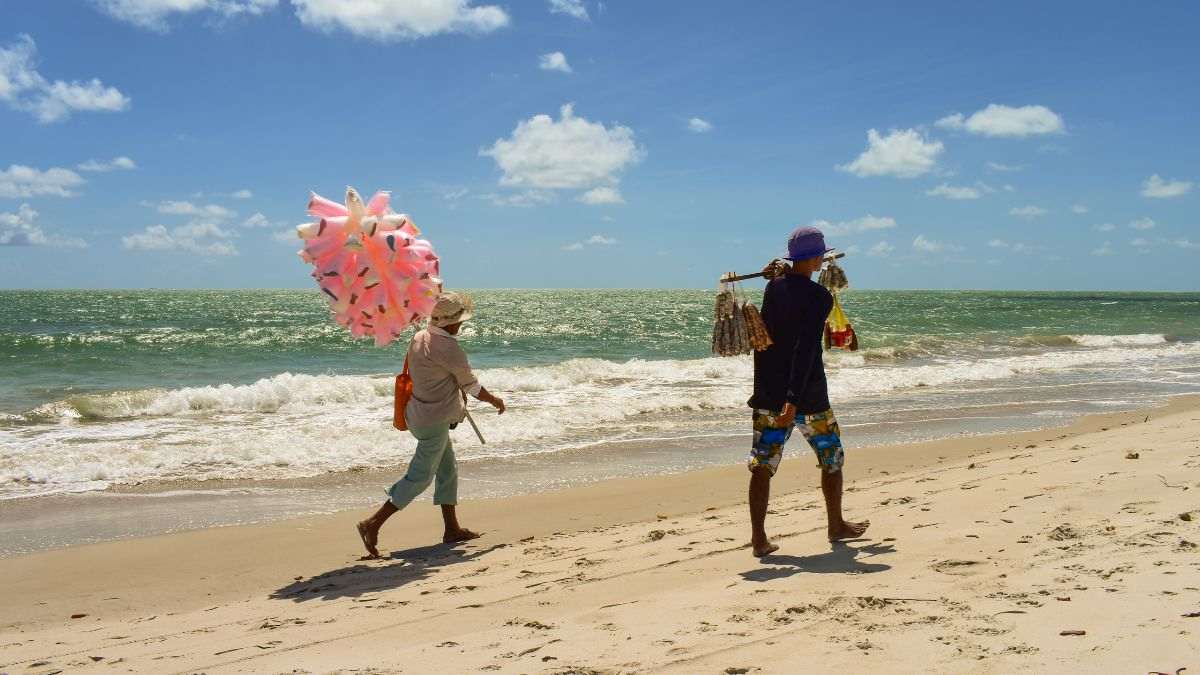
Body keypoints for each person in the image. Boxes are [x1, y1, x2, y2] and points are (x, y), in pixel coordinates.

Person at [747, 226, 869, 557]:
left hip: (770, 392)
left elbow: (777, 337)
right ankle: (835, 525)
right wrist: (793, 400)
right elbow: (804, 350)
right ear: (816, 259)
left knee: (762, 464)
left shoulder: (774, 287)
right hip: (807, 395)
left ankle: (759, 540)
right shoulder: (819, 297)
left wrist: (777, 272)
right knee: (831, 457)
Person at [356, 292, 506, 558]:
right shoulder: (448, 348)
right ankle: (373, 523)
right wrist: (494, 400)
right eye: (459, 321)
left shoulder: (420, 337)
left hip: (419, 414)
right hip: (434, 420)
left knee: (448, 469)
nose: (461, 325)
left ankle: (452, 529)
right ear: (450, 323)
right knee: (420, 476)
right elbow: (471, 385)